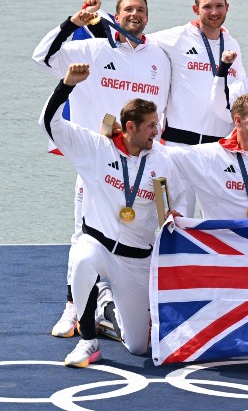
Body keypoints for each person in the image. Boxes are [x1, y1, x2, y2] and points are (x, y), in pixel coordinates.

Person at [32, 0, 171, 339]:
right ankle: (73, 308)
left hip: (140, 161)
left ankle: (117, 303)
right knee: (83, 234)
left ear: (147, 16)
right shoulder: (94, 49)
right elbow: (42, 56)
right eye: (128, 10)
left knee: (139, 231)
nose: (134, 14)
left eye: (140, 9)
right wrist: (72, 23)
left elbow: (163, 110)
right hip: (100, 159)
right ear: (117, 15)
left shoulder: (159, 57)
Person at [39, 63, 186, 367]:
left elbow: (177, 204)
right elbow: (49, 123)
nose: (156, 131)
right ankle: (88, 341)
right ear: (129, 127)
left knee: (138, 348)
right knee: (82, 258)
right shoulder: (96, 148)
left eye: (156, 124)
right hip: (99, 245)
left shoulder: (163, 162)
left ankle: (104, 306)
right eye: (150, 126)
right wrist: (67, 85)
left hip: (136, 259)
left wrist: (174, 216)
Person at [150, 0, 247, 218]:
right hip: (179, 145)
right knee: (175, 217)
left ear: (227, 8)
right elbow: (137, 41)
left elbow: (242, 93)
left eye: (219, 6)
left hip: (218, 148)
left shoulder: (232, 44)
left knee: (218, 221)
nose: (214, 12)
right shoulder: (176, 37)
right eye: (207, 7)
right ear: (196, 9)